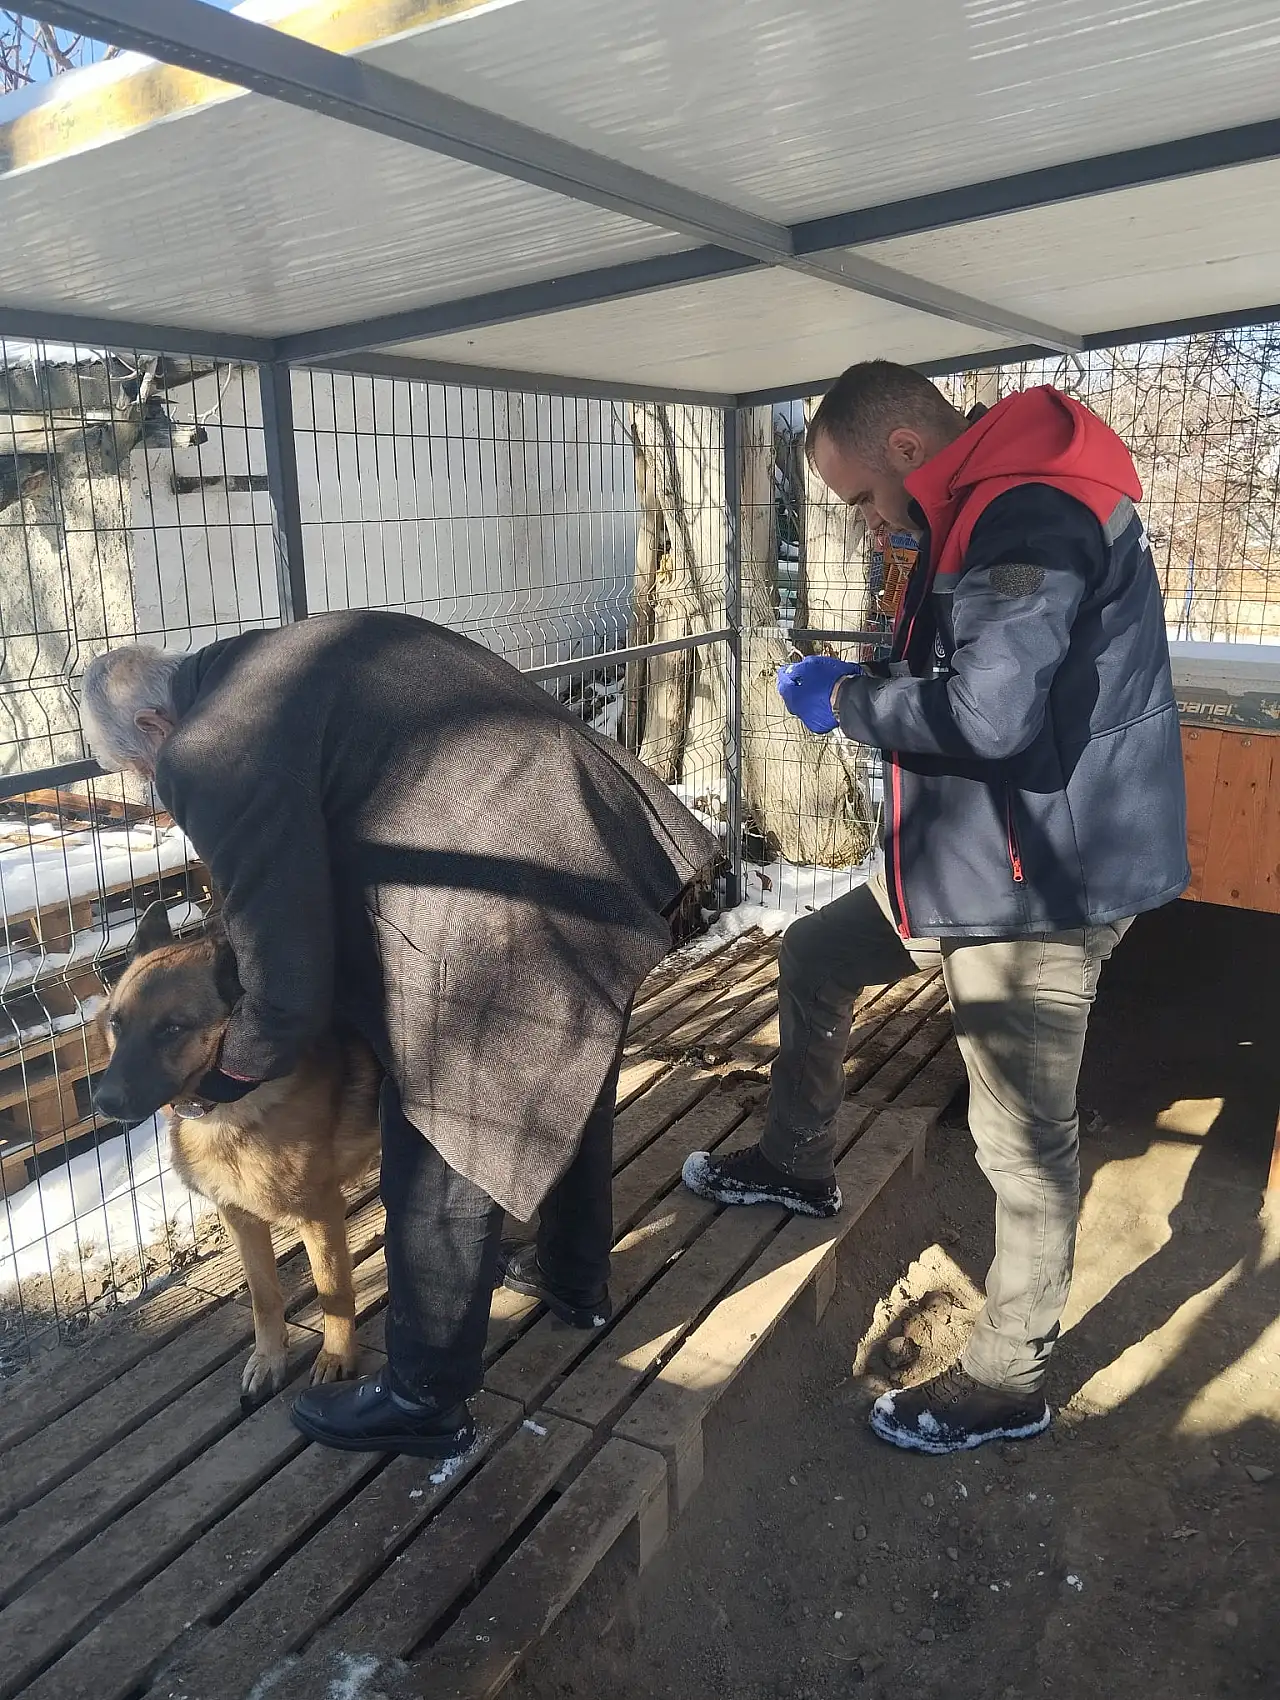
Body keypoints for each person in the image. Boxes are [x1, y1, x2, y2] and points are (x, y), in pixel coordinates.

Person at [683, 361, 1189, 1456]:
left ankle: (1009, 1381)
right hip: (969, 857)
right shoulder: (977, 502)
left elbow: (991, 715)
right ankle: (796, 1162)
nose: (868, 520)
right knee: (816, 953)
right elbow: (978, 667)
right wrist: (872, 671)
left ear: (906, 448)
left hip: (1036, 885)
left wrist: (846, 700)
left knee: (1020, 1144)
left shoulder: (1028, 509)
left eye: (864, 495)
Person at [81, 612, 715, 1457]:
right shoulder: (269, 661)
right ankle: (574, 1276)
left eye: (139, 772)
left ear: (154, 725)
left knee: (441, 1119)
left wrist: (232, 1072)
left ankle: (424, 1397)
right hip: (597, 827)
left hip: (512, 882)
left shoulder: (208, 747)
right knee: (567, 1051)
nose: (153, 790)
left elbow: (285, 966)